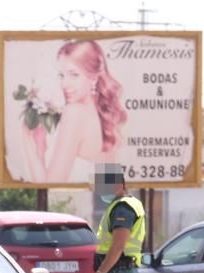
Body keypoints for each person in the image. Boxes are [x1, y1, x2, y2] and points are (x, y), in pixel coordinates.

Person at [20, 39, 127, 183]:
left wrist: (28, 143)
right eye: (62, 75)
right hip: (93, 204)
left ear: (94, 78)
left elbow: (52, 184)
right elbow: (108, 190)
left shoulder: (75, 113)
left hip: (68, 205)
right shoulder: (101, 119)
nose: (65, 84)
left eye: (74, 75)